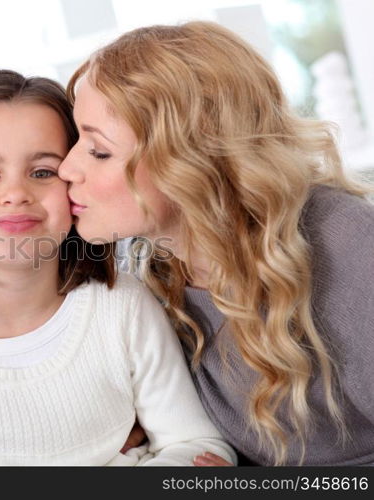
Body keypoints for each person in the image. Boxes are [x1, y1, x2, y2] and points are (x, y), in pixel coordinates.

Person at [0, 70, 236, 466]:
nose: (14, 194)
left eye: (42, 172)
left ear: (75, 185)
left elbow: (201, 450)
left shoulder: (123, 308)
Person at [57, 21, 374, 465]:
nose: (66, 169)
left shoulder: (344, 242)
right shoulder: (146, 270)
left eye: (99, 150)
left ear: (190, 160)